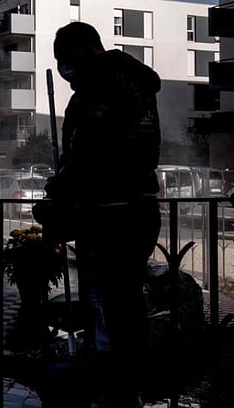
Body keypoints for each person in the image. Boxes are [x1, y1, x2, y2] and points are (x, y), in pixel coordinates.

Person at [47, 21, 162, 407]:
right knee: (107, 298)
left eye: (65, 59)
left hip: (119, 212)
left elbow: (99, 152)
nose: (64, 69)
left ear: (84, 50)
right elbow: (84, 152)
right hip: (111, 209)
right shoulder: (104, 86)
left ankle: (121, 382)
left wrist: (65, 186)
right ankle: (107, 371)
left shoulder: (108, 86)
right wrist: (65, 184)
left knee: (117, 300)